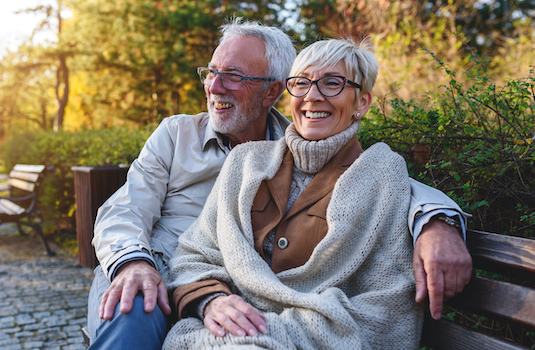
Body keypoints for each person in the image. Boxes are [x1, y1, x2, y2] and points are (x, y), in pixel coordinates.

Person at [87, 19, 471, 349]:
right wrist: (134, 263)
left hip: (230, 307)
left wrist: (439, 220)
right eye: (211, 72)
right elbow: (126, 207)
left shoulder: (299, 144)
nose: (215, 86)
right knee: (132, 306)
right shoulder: (179, 135)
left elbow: (380, 179)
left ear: (272, 91)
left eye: (233, 75)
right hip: (152, 272)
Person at [165, 36, 422, 349]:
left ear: (363, 102)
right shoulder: (245, 163)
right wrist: (211, 301)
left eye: (332, 83)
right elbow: (195, 254)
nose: (312, 96)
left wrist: (266, 333)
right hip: (216, 335)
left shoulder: (382, 175)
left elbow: (385, 307)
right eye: (301, 83)